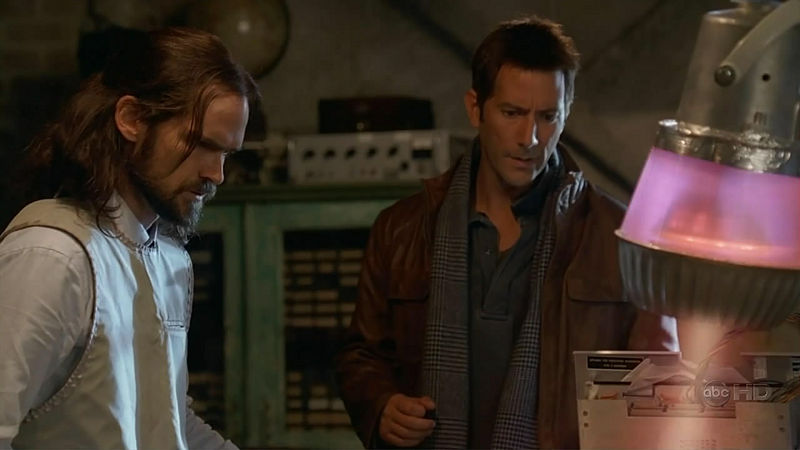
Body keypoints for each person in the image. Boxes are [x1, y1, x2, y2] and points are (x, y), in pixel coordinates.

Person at [336, 16, 679, 449]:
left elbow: (659, 387)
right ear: (475, 108)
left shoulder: (621, 240)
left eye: (547, 117)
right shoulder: (402, 229)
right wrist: (382, 405)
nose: (529, 138)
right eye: (512, 113)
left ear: (566, 113)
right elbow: (361, 354)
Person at [0, 27, 258, 449]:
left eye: (226, 153)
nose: (217, 174)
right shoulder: (52, 257)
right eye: (200, 144)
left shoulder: (169, 258)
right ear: (132, 119)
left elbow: (169, 423)